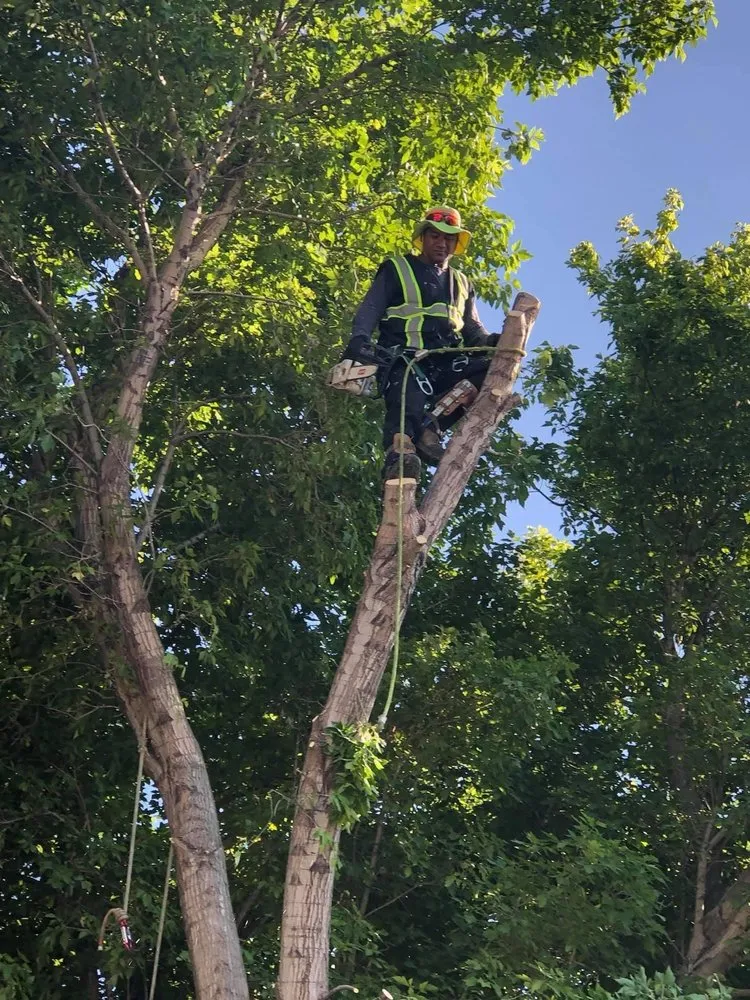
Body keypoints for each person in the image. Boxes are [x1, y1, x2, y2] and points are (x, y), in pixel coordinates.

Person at [343, 206, 499, 481]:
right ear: (423, 238)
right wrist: (359, 341)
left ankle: (433, 425)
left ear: (456, 243)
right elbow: (371, 308)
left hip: (445, 360)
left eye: (448, 238)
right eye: (435, 236)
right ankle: (399, 460)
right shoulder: (397, 268)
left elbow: (472, 327)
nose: (442, 243)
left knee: (487, 372)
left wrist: (491, 341)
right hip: (404, 358)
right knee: (408, 404)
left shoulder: (461, 283)